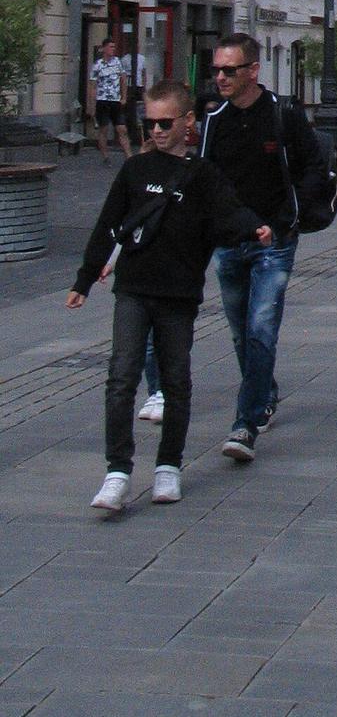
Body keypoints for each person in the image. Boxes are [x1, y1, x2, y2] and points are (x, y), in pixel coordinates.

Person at [68, 79, 271, 513]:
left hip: (179, 294)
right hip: (134, 289)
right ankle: (117, 470)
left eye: (165, 122)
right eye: (149, 123)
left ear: (187, 122)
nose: (156, 131)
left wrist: (254, 227)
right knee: (121, 378)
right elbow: (109, 224)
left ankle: (168, 466)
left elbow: (227, 214)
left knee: (176, 380)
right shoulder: (134, 171)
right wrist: (85, 279)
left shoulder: (202, 175)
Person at [197, 32, 327, 465]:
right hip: (230, 243)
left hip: (275, 242)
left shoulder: (283, 115)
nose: (220, 77)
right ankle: (265, 391)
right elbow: (204, 182)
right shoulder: (215, 120)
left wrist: (288, 218)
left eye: (229, 70)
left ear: (253, 71)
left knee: (260, 329)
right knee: (239, 331)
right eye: (216, 69)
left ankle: (245, 424)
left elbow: (314, 166)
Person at [88, 38, 131, 163]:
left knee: (122, 129)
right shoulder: (98, 65)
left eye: (114, 47)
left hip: (115, 100)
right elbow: (92, 85)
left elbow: (123, 79)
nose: (113, 49)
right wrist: (92, 105)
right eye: (110, 47)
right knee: (104, 129)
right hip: (102, 100)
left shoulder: (118, 62)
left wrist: (124, 97)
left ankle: (129, 156)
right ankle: (105, 156)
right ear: (104, 48)